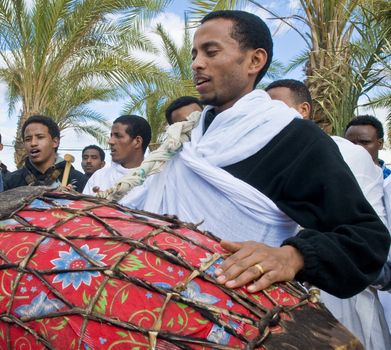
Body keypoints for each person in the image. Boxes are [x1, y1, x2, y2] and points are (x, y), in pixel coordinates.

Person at [114, 10, 388, 306]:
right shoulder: (184, 138)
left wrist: (293, 256)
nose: (196, 64)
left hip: (234, 320)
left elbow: (366, 239)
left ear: (254, 61)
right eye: (194, 54)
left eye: (211, 51)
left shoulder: (294, 138)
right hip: (146, 302)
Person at [265, 78, 390, 349]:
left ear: (304, 110)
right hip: (279, 291)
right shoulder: (262, 155)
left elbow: (369, 233)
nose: (267, 116)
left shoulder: (348, 153)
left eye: (277, 107)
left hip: (341, 289)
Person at [3, 115, 86, 192]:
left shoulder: (78, 179)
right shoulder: (10, 181)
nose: (33, 143)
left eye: (40, 137)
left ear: (55, 142)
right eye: (28, 139)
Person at [83, 115, 151, 195]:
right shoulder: (99, 177)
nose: (110, 141)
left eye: (118, 136)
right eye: (111, 135)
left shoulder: (155, 179)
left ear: (137, 142)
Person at [345, 115, 391, 179]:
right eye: (350, 143)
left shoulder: (388, 182)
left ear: (380, 144)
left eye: (364, 142)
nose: (357, 148)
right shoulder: (334, 180)